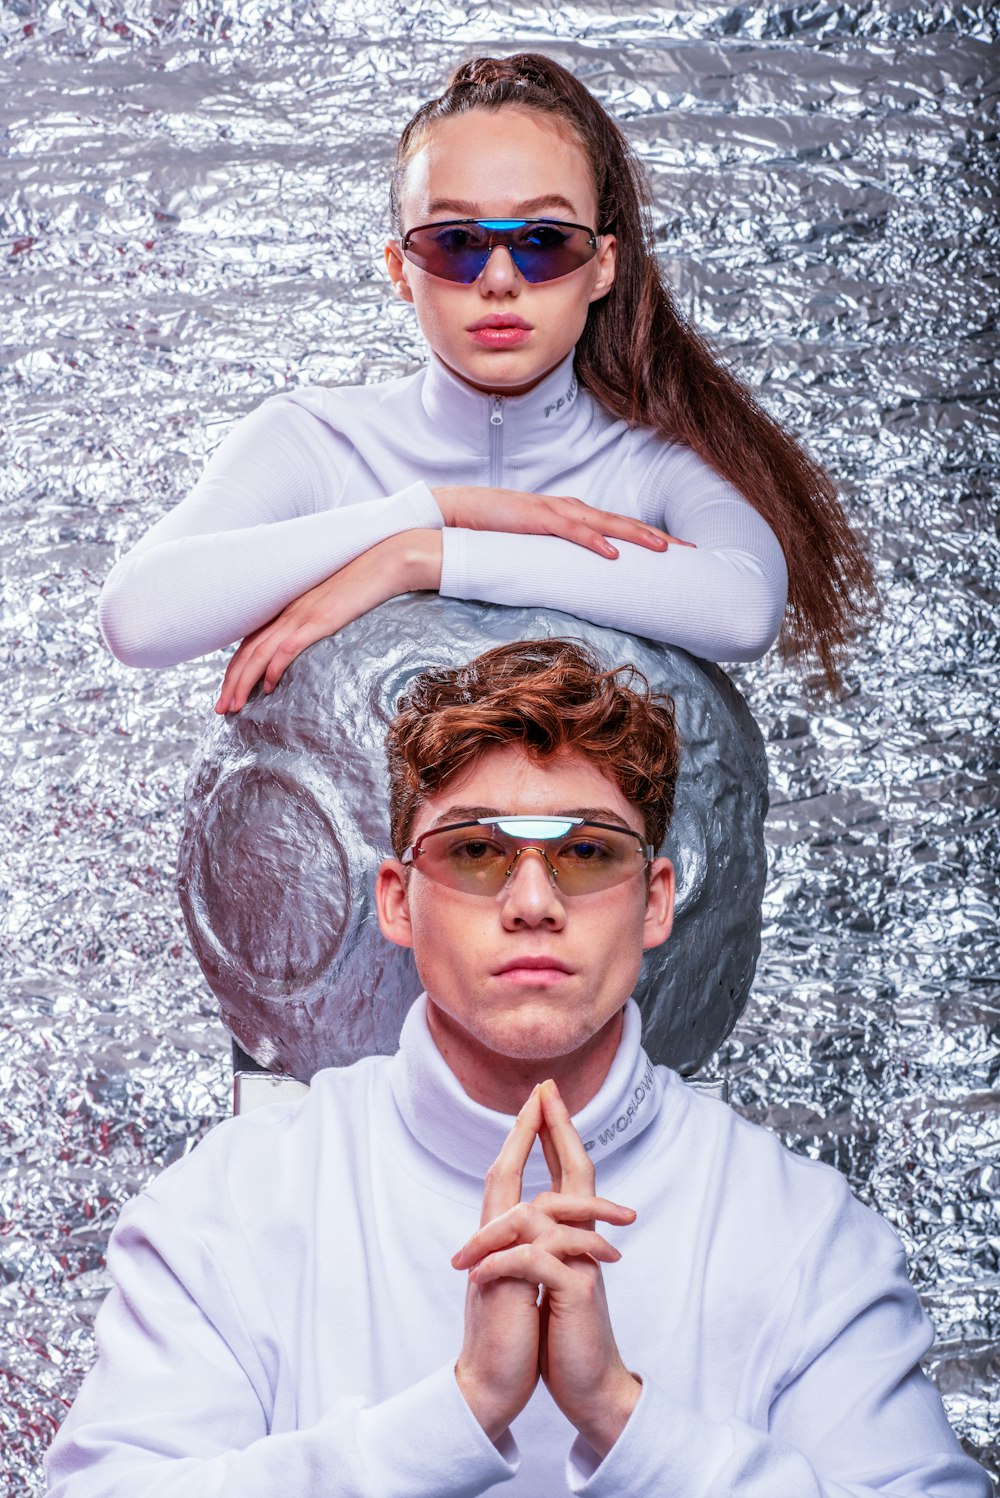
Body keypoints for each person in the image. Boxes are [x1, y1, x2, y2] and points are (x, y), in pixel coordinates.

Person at [46, 639, 988, 1496]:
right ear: (398, 901)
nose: (533, 902)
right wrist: (454, 1413)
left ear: (655, 902)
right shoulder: (226, 1209)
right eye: (477, 852)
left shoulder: (810, 1238)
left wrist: (624, 1416)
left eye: (584, 852)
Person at [97, 53, 873, 706]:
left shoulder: (656, 459)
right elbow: (140, 619)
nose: (500, 279)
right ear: (401, 270)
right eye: (457, 240)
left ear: (602, 266)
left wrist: (425, 557)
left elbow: (742, 610)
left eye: (542, 239)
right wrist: (435, 509)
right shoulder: (314, 441)